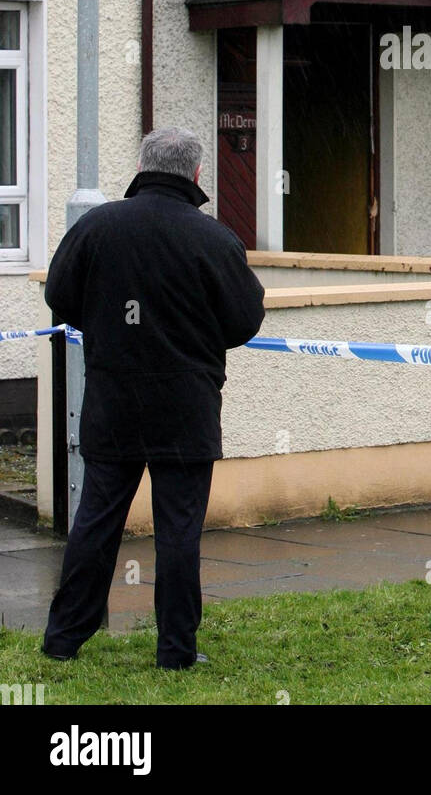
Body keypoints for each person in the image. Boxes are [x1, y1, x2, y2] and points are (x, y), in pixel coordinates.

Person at [42, 126, 266, 670]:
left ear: (143, 165)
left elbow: (58, 295)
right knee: (178, 530)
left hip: (113, 399)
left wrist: (106, 325)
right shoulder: (213, 239)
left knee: (96, 519)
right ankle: (176, 651)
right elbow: (244, 318)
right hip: (186, 405)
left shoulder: (98, 228)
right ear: (194, 174)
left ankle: (64, 638)